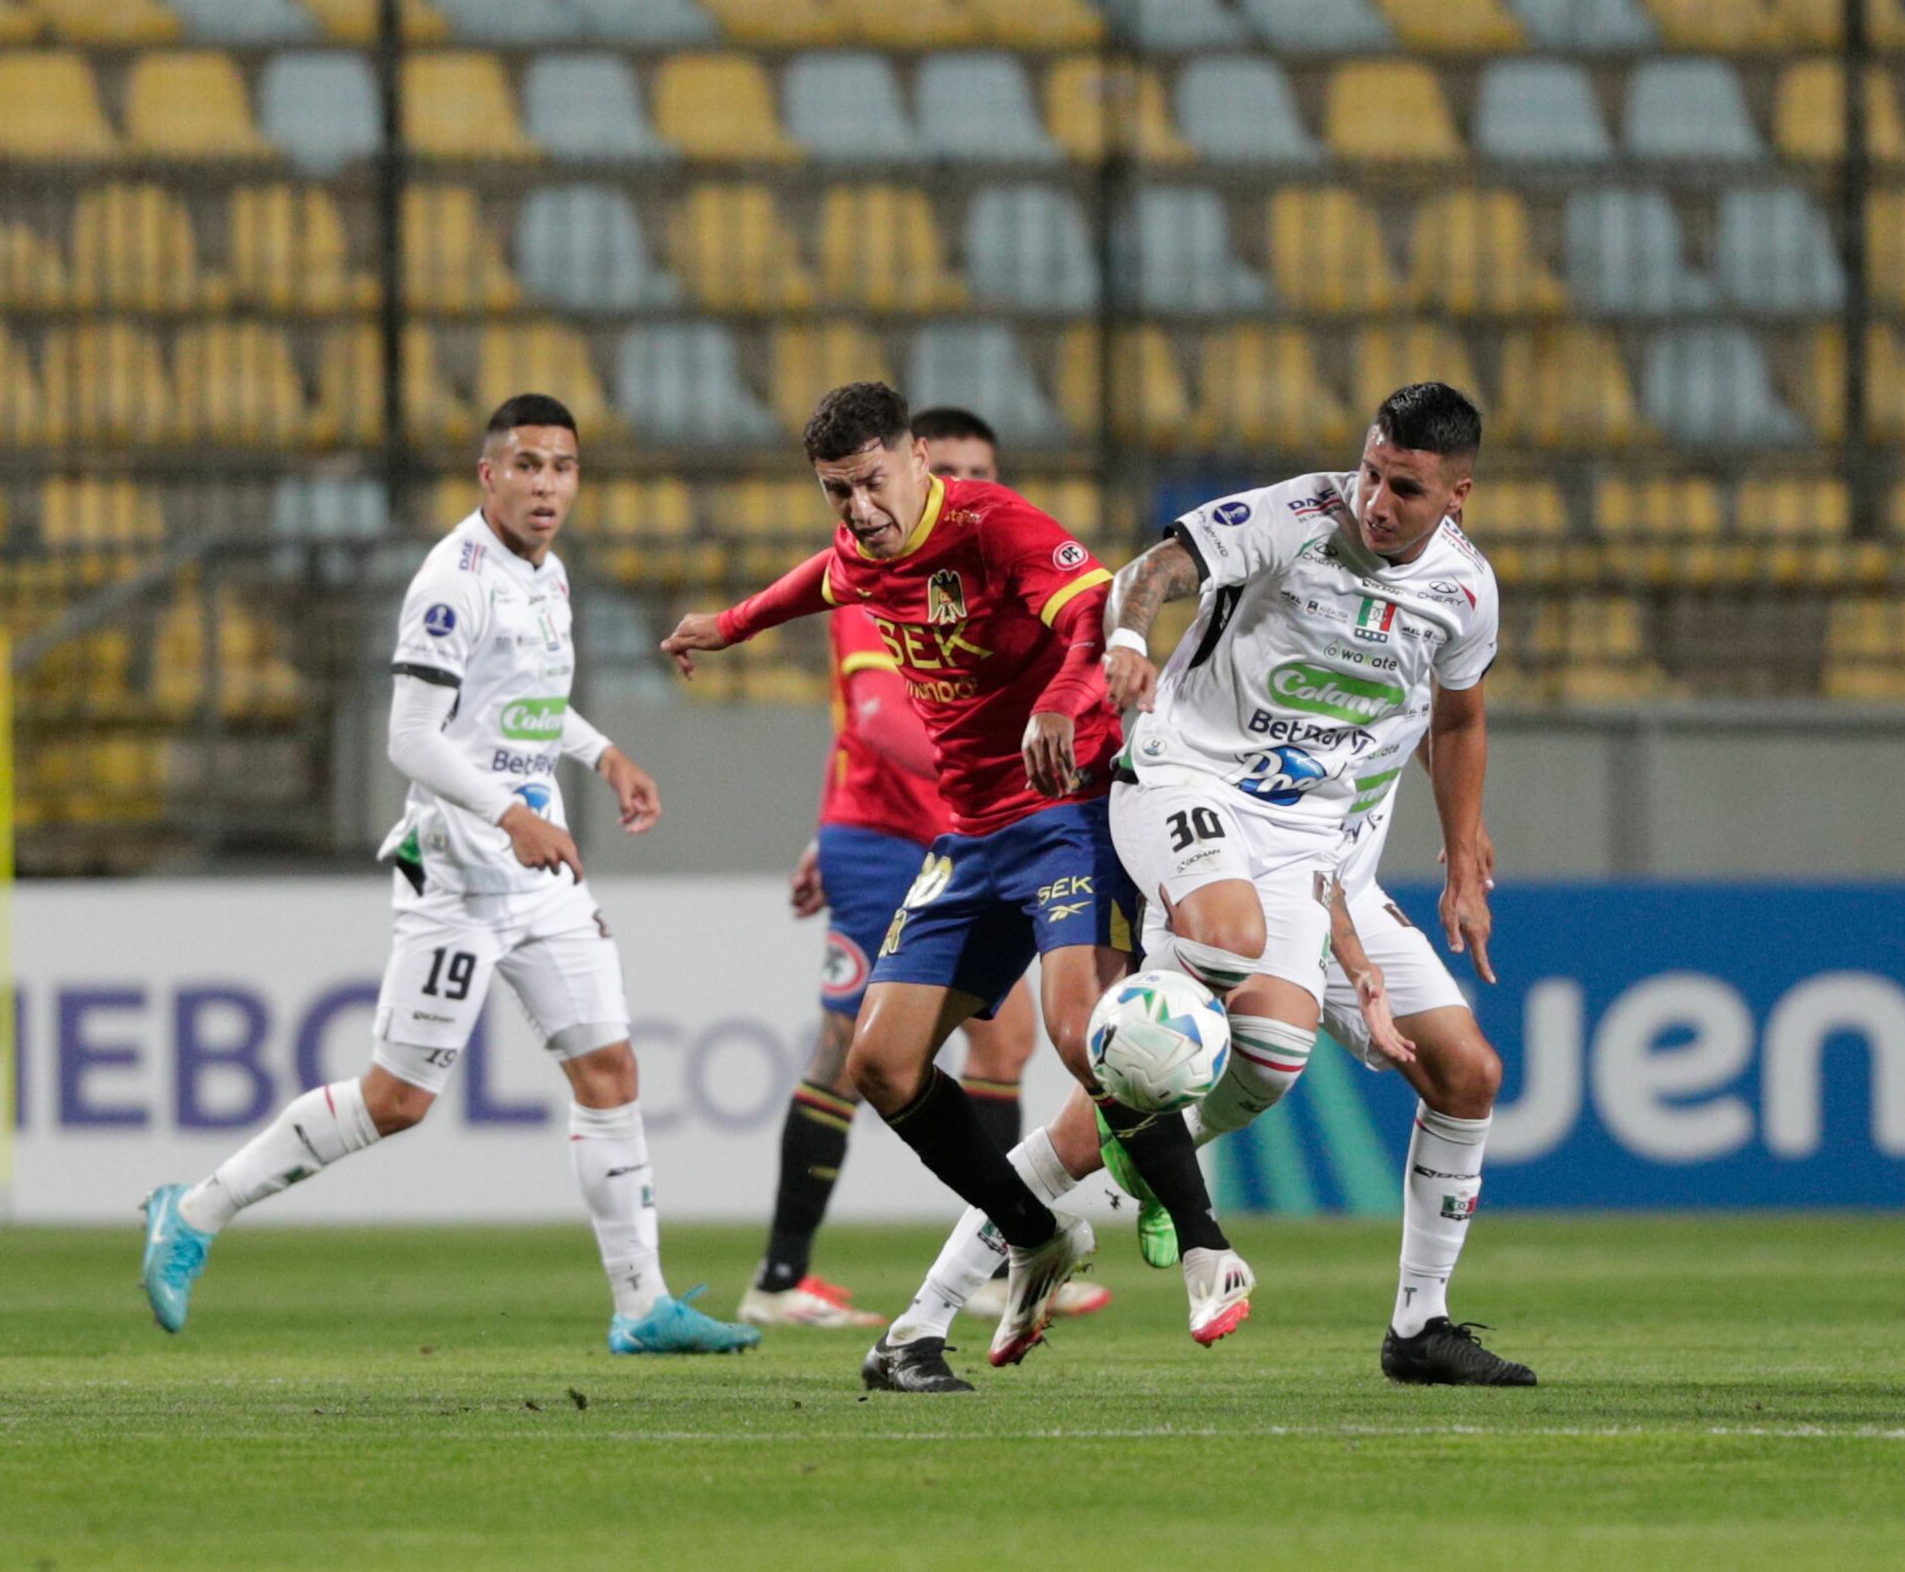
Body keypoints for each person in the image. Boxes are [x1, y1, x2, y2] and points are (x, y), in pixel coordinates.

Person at [874, 382, 1536, 1389]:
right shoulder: (1297, 516)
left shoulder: (1467, 590)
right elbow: (1150, 570)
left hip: (1324, 863)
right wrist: (1130, 643)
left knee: (1460, 1073)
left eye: (1403, 486)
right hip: (1192, 784)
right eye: (1369, 470)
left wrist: (1466, 841)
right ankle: (1174, 1208)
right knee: (1223, 967)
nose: (1374, 498)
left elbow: (1459, 719)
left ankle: (1418, 1324)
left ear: (1458, 495)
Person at [139, 395, 759, 1356]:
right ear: (489, 475)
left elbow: (528, 707)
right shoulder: (452, 579)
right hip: (461, 876)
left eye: (562, 467)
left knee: (608, 1066)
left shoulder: (546, 577)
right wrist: (510, 814)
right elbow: (410, 738)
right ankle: (194, 1212)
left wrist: (603, 756)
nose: (546, 484)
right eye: (527, 465)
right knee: (399, 1101)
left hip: (537, 868)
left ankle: (641, 1302)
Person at [662, 383, 1222, 1393]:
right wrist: (727, 624)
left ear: (917, 457)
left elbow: (1099, 616)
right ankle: (1031, 1232)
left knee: (1075, 1030)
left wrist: (1058, 705)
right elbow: (813, 581)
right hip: (967, 835)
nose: (857, 508)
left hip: (1065, 809)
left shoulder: (993, 523)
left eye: (871, 481)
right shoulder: (862, 548)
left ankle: (1201, 1242)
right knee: (878, 1060)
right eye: (837, 490)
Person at [739, 407, 1107, 1330]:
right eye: (953, 468)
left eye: (981, 474)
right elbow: (880, 719)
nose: (969, 490)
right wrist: (979, 800)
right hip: (893, 836)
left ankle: (998, 1249)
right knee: (848, 1050)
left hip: (971, 834)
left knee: (1006, 1040)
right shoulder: (882, 564)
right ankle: (782, 1274)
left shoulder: (987, 543)